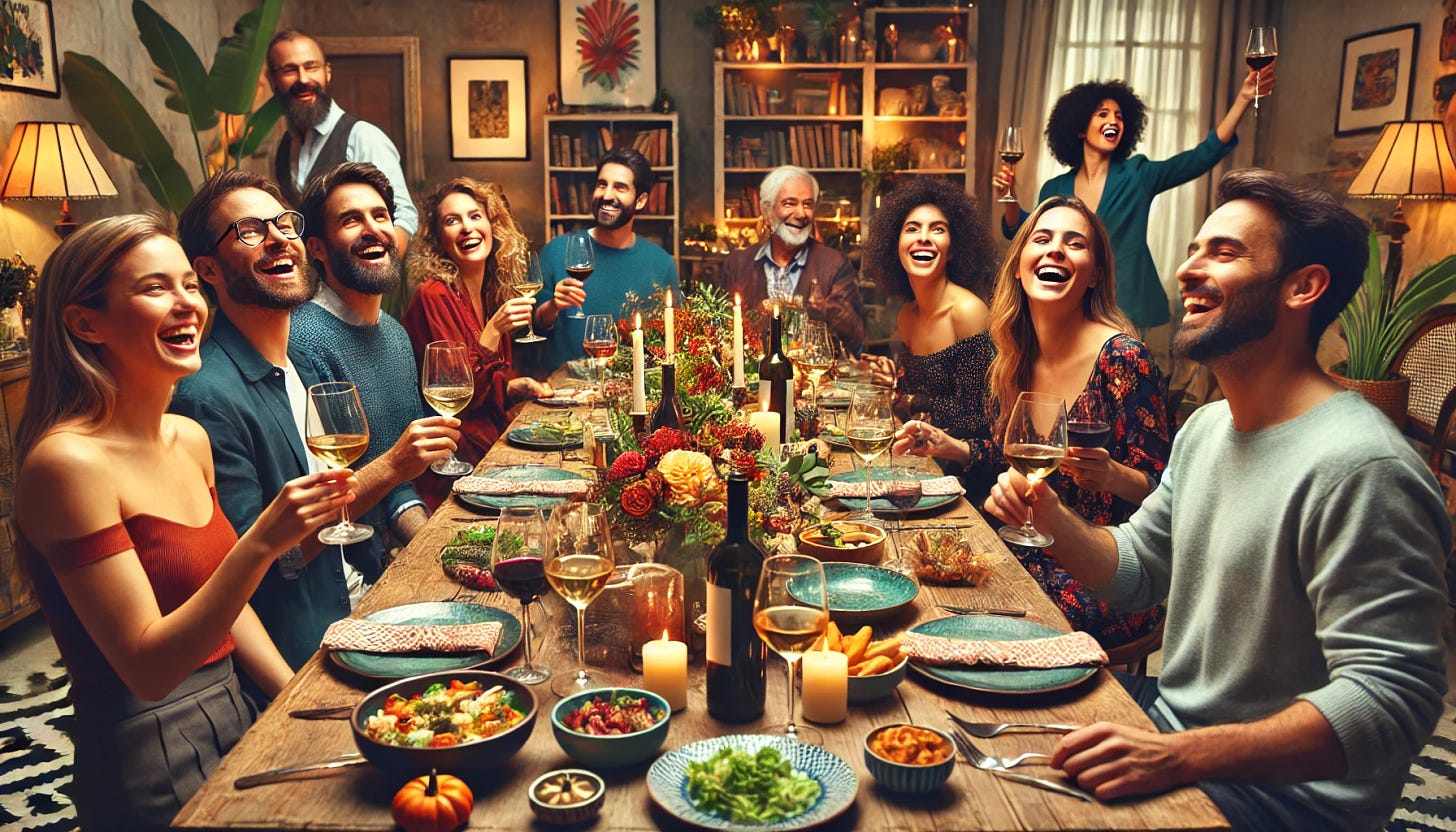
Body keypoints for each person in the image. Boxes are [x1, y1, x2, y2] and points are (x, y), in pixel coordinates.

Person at [983, 169, 1449, 831]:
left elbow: (1394, 696)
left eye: (1223, 253)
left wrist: (1177, 756)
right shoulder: (1208, 429)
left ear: (1303, 286)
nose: (1186, 269)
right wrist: (1051, 519)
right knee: (970, 735)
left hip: (1285, 801)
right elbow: (1136, 574)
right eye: (1196, 249)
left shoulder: (1362, 466)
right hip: (1176, 725)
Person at [13, 214, 353, 830]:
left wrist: (298, 701)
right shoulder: (67, 462)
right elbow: (147, 669)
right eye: (153, 288)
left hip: (234, 703)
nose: (186, 305)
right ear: (85, 322)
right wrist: (261, 545)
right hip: (146, 743)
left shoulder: (188, 437)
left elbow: (221, 603)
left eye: (189, 285)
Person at [169, 169, 459, 671]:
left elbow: (364, 494)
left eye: (284, 224)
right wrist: (391, 467)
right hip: (311, 645)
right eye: (251, 231)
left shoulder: (300, 364)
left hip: (372, 596)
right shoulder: (207, 398)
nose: (279, 238)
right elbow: (247, 576)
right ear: (209, 271)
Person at [896, 196, 1168, 649]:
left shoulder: (1123, 359)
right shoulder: (1014, 355)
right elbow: (1022, 460)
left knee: (971, 619)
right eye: (1042, 239)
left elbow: (1167, 493)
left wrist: (1112, 476)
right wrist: (953, 446)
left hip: (1099, 574)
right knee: (916, 572)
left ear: (1095, 273)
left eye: (1074, 243)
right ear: (1020, 268)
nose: (1056, 250)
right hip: (1025, 548)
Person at [995, 67, 1274, 331]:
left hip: (1139, 311)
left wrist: (1244, 98)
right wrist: (1009, 196)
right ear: (1080, 128)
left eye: (1118, 116)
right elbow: (1023, 232)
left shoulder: (1138, 174)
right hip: (1081, 310)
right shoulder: (1056, 188)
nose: (1113, 121)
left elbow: (1201, 157)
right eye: (1102, 114)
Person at [290, 162, 439, 540]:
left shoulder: (394, 334)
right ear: (317, 249)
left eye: (381, 216)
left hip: (395, 548)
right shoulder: (302, 340)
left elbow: (398, 485)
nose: (373, 229)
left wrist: (426, 544)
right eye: (351, 220)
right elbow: (323, 511)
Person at [403, 177, 551, 502]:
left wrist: (513, 387)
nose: (467, 228)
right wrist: (493, 331)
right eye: (452, 221)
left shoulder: (491, 292)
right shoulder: (434, 296)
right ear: (439, 239)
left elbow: (486, 389)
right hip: (455, 465)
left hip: (490, 448)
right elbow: (456, 398)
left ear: (492, 226)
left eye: (475, 216)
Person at [860, 176, 998, 496]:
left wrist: (914, 410)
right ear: (895, 247)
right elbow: (913, 403)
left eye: (938, 229)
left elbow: (980, 420)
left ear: (953, 250)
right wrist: (894, 386)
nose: (924, 238)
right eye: (912, 229)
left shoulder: (967, 312)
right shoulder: (907, 316)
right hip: (922, 467)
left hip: (966, 480)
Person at [267, 29, 417, 255]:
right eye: (289, 69)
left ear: (327, 73)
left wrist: (376, 276)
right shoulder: (281, 145)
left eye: (311, 67)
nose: (303, 79)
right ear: (272, 79)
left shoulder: (364, 137)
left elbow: (403, 216)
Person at [534, 146, 679, 372]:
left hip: (631, 393)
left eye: (620, 187)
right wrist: (553, 305)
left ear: (640, 201)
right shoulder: (557, 251)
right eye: (602, 185)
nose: (607, 195)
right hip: (562, 393)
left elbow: (670, 339)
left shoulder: (661, 263)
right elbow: (535, 326)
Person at [720, 165, 866, 353]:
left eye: (807, 204)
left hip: (813, 380)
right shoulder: (739, 265)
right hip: (755, 378)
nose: (801, 214)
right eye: (789, 203)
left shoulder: (834, 265)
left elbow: (858, 340)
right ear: (767, 210)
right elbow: (723, 331)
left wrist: (826, 309)